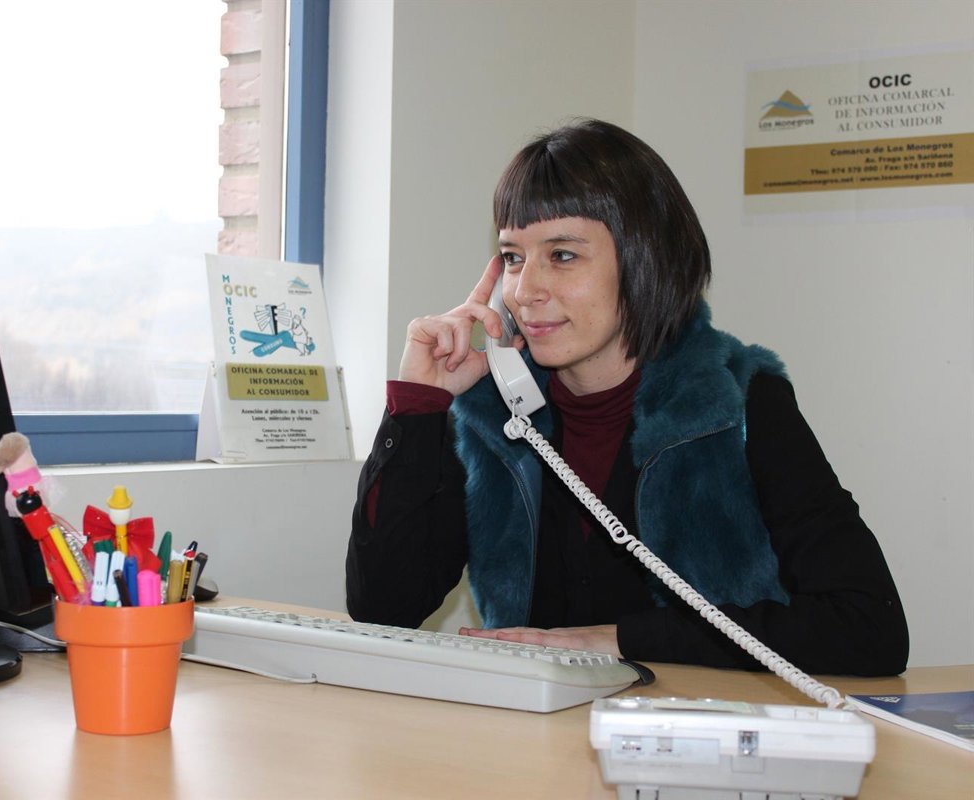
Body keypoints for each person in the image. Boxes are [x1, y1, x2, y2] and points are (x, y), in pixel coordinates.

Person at [345, 118, 909, 676]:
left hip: (701, 724)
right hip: (535, 725)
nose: (524, 290)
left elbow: (870, 628)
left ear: (646, 259)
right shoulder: (492, 411)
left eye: (562, 255)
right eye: (513, 257)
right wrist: (418, 407)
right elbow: (383, 609)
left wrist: (619, 639)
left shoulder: (738, 400)